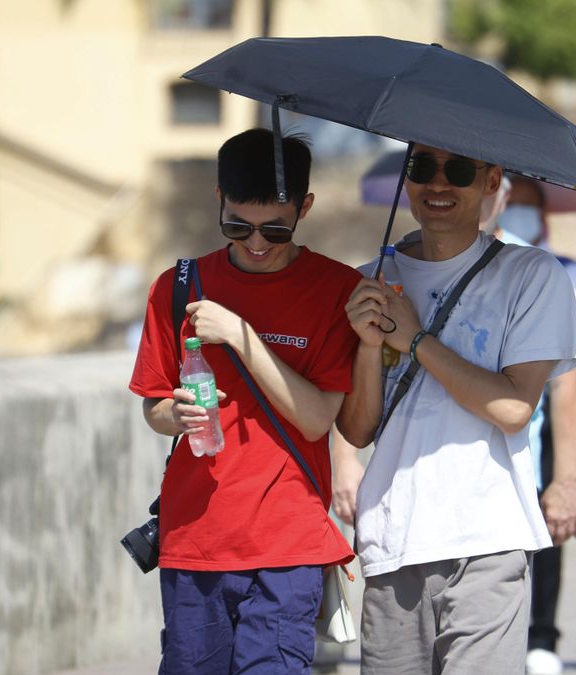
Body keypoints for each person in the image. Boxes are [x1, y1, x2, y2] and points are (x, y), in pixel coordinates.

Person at [335, 144, 576, 674]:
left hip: (488, 540)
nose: (438, 184)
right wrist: (362, 342)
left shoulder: (532, 276)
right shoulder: (369, 281)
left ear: (492, 182)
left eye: (459, 170)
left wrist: (417, 338)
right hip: (391, 540)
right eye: (422, 168)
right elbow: (357, 430)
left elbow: (514, 407)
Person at [128, 128, 359, 674]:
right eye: (238, 225)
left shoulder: (335, 289)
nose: (256, 243)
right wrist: (174, 414)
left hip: (288, 544)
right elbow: (154, 408)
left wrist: (239, 333)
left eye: (275, 228)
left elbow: (316, 417)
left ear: (304, 207)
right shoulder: (178, 286)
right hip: (195, 539)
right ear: (218, 199)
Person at [497, 176, 576, 675]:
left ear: (543, 214)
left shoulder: (568, 272)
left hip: (547, 414)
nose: (518, 212)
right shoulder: (488, 264)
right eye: (512, 203)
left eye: (527, 206)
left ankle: (543, 633)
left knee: (548, 527)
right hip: (501, 407)